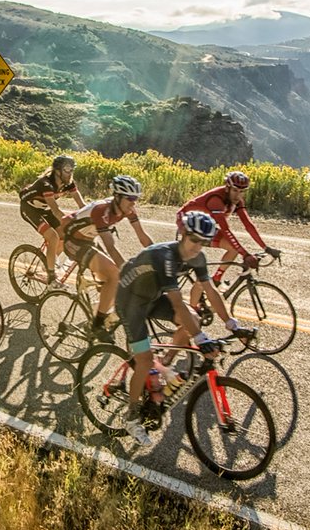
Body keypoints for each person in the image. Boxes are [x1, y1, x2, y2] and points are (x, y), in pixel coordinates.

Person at [115, 211, 250, 445]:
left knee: (194, 319)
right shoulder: (165, 256)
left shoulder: (198, 258)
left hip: (153, 297)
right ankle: (131, 416)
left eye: (204, 242)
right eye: (194, 240)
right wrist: (200, 339)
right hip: (131, 301)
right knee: (145, 359)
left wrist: (231, 323)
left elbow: (210, 290)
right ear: (183, 235)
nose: (198, 247)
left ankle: (165, 363)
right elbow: (177, 302)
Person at [60, 175, 153, 341]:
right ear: (117, 197)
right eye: (130, 199)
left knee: (113, 281)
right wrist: (128, 271)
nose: (134, 203)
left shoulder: (128, 209)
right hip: (73, 241)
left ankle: (97, 312)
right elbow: (110, 247)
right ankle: (97, 324)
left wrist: (158, 257)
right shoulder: (102, 210)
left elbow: (142, 236)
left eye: (136, 199)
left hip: (89, 239)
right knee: (115, 274)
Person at [177, 171, 281, 309]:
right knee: (202, 274)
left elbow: (248, 225)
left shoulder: (236, 201)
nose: (238, 195)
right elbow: (226, 230)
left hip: (205, 226)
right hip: (188, 226)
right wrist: (246, 254)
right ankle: (191, 315)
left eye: (242, 192)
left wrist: (266, 248)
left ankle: (217, 278)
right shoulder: (216, 200)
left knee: (232, 249)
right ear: (227, 188)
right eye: (235, 190)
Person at [18, 154, 85, 287]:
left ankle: (49, 260)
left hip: (44, 208)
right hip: (29, 209)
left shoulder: (69, 183)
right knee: (53, 237)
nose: (70, 173)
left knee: (65, 234)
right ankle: (51, 278)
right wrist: (72, 223)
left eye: (72, 170)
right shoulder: (46, 184)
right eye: (67, 170)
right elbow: (55, 210)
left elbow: (82, 204)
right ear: (58, 171)